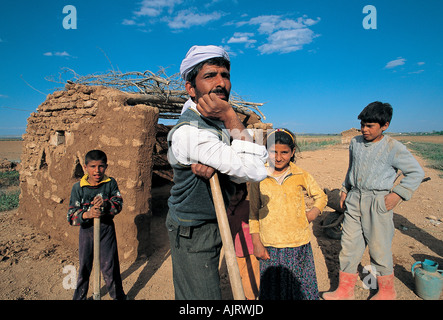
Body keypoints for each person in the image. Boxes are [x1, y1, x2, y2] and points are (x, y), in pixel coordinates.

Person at [166, 45, 268, 300]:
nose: (221, 83)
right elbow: (255, 170)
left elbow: (258, 157)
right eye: (210, 76)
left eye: (226, 75)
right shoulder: (189, 133)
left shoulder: (212, 122)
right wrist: (232, 117)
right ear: (191, 88)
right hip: (193, 229)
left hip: (215, 221)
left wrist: (230, 162)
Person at [323, 102, 425, 300]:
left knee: (379, 248)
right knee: (348, 246)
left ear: (384, 126)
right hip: (354, 199)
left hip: (377, 202)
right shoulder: (355, 143)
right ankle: (345, 291)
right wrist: (345, 189)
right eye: (362, 124)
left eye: (370, 126)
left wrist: (397, 194)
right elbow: (351, 168)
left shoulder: (393, 147)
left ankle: (387, 292)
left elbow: (416, 172)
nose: (364, 129)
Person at [249, 128, 328, 300]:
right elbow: (253, 211)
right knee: (273, 292)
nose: (278, 157)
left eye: (284, 152)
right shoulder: (259, 176)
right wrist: (256, 242)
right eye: (273, 152)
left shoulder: (300, 174)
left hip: (297, 244)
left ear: (292, 152)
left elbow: (320, 196)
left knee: (299, 290)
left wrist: (312, 214)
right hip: (270, 245)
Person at [67, 149, 126, 300]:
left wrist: (106, 205)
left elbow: (118, 204)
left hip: (106, 229)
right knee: (85, 267)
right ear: (85, 167)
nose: (97, 171)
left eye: (101, 166)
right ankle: (79, 297)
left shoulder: (110, 183)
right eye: (93, 166)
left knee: (109, 266)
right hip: (87, 231)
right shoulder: (78, 187)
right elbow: (71, 216)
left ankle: (118, 297)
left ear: (106, 166)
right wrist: (87, 214)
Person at [227, 183, 260, 300]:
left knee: (251, 278)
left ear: (243, 192)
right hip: (234, 251)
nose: (234, 197)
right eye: (232, 193)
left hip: (251, 251)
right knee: (238, 278)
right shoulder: (224, 208)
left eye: (238, 193)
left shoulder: (248, 206)